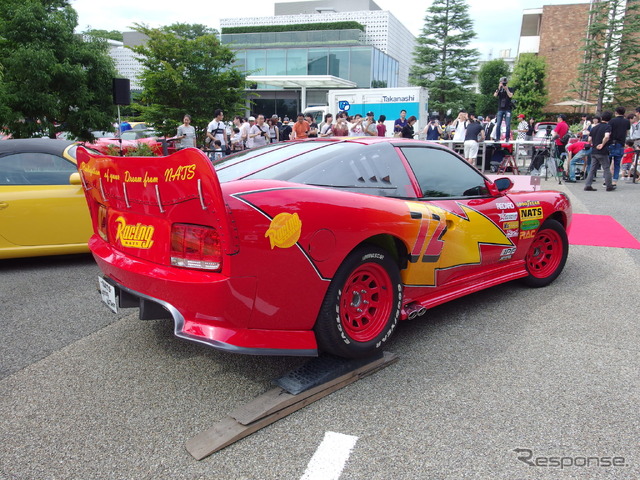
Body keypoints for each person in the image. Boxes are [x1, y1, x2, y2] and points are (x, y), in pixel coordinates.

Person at [584, 110, 614, 191]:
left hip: (594, 150)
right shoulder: (607, 127)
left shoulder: (594, 127)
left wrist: (594, 144)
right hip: (602, 151)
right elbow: (607, 136)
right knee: (606, 168)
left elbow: (589, 139)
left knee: (592, 169)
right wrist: (602, 144)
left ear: (601, 118)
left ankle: (588, 184)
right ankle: (609, 185)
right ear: (610, 119)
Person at [608, 106, 631, 186]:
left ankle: (607, 180)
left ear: (616, 112)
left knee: (607, 162)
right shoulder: (626, 122)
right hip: (621, 144)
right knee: (617, 164)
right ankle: (614, 181)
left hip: (611, 143)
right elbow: (627, 132)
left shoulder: (611, 121)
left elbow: (609, 132)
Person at [493, 76, 514, 141]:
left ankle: (507, 138)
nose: (503, 84)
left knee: (507, 124)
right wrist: (499, 88)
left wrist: (506, 89)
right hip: (500, 109)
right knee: (498, 124)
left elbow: (510, 95)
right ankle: (497, 137)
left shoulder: (510, 89)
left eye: (504, 83)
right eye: (502, 83)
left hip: (507, 109)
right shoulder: (499, 90)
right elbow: (495, 95)